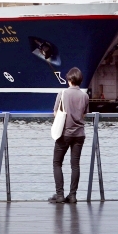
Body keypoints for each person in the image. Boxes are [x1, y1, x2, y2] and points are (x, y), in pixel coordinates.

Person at [50, 67, 89, 204]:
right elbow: (84, 114)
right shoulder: (85, 96)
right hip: (79, 134)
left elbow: (56, 113)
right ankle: (72, 195)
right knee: (75, 165)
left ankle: (59, 195)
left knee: (57, 163)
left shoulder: (63, 93)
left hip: (64, 133)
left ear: (70, 79)